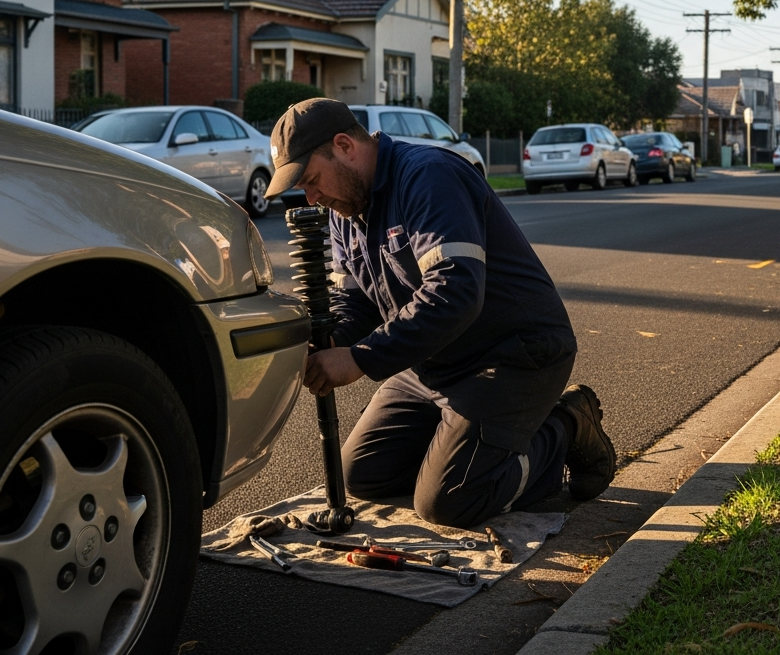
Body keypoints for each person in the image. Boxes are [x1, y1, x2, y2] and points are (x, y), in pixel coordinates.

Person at [263, 98, 614, 528]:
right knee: (363, 474)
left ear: (345, 146)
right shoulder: (346, 209)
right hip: (434, 360)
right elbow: (355, 302)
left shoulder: (428, 176)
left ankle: (565, 425)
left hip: (511, 354)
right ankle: (468, 445)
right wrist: (329, 342)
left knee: (449, 502)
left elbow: (456, 290)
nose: (311, 197)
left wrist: (359, 358)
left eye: (313, 180)